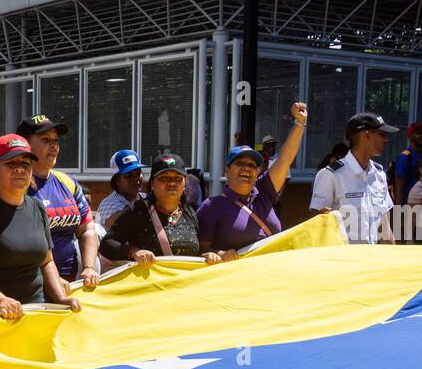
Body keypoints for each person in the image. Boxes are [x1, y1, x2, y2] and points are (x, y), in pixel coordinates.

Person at [0, 135, 81, 320]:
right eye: (11, 163)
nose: (19, 168)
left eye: (25, 163)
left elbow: (47, 261)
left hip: (34, 314)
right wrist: (1, 301)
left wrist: (60, 298)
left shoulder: (37, 207)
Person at [199, 102, 308, 251]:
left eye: (252, 165)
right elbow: (200, 252)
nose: (246, 168)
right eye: (239, 163)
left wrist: (299, 123)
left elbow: (284, 160)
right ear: (227, 170)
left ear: (257, 172)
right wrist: (221, 254)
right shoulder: (211, 207)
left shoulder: (264, 193)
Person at [15, 114, 100, 291]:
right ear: (26, 145)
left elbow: (86, 229)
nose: (53, 145)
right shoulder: (15, 187)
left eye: (56, 140)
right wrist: (51, 279)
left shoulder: (68, 183)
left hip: (72, 281)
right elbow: (16, 243)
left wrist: (89, 267)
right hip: (31, 285)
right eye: (46, 139)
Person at [102, 154, 234, 264]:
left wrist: (211, 254)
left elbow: (196, 249)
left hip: (185, 288)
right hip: (151, 288)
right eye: (163, 178)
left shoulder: (190, 213)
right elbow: (106, 245)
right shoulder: (138, 210)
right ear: (152, 183)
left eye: (177, 178)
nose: (171, 183)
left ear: (185, 183)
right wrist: (134, 252)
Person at [309, 111, 398, 245]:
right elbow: (317, 227)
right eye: (382, 134)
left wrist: (395, 261)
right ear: (366, 135)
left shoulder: (379, 175)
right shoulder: (331, 175)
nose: (386, 139)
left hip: (372, 261)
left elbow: (384, 229)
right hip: (342, 262)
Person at [97, 150, 144, 230]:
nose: (136, 179)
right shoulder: (109, 204)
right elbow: (132, 226)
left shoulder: (144, 197)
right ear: (116, 180)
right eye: (128, 176)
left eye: (138, 173)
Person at [392, 121, 422, 205]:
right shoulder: (405, 157)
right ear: (410, 136)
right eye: (419, 133)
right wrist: (399, 214)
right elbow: (399, 189)